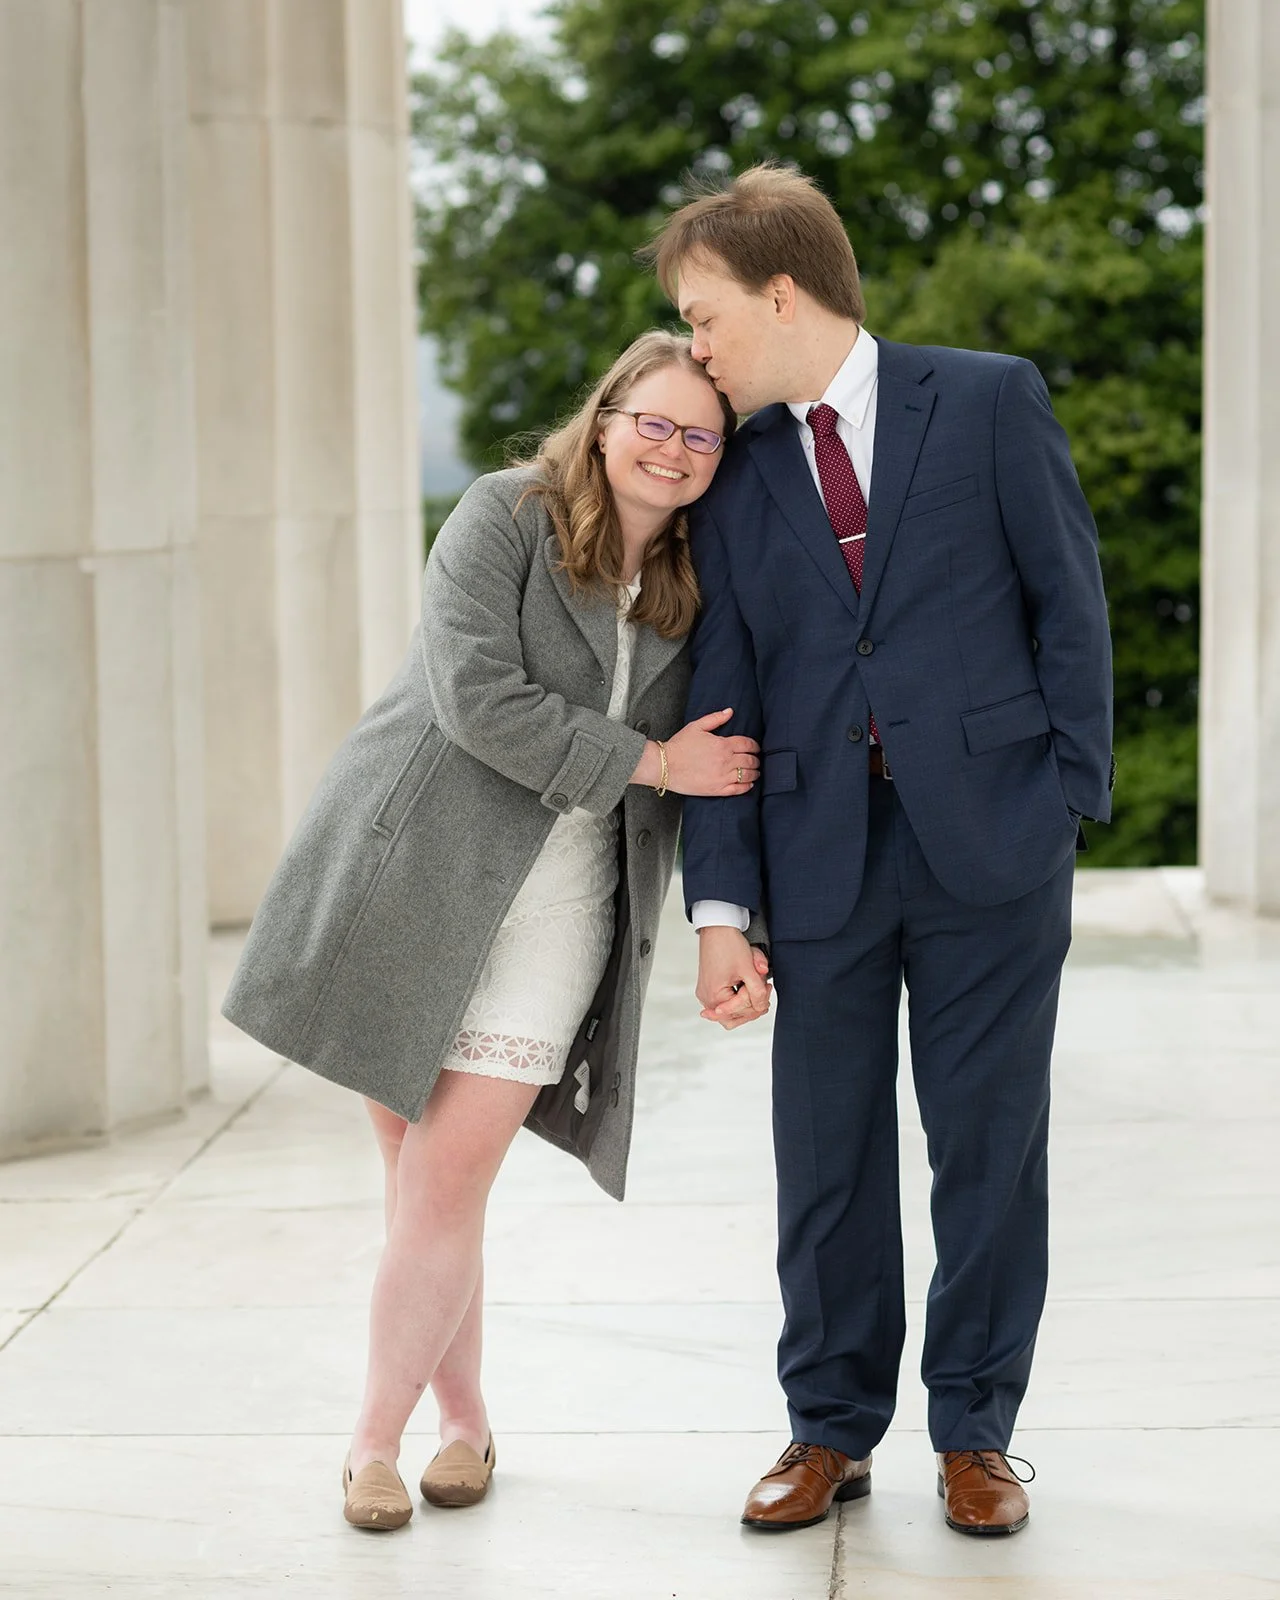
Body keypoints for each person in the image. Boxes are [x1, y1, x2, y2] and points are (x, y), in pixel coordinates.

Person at [221, 331, 760, 1531]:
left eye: (700, 435)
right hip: (413, 878)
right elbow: (476, 698)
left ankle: (370, 1444)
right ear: (605, 418)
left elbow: (733, 739)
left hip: (562, 910)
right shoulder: (504, 515)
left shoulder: (702, 573)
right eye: (653, 423)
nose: (672, 451)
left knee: (445, 1177)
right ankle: (460, 1424)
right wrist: (652, 762)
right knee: (419, 1186)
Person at [644, 165, 1114, 1537]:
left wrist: (1063, 800)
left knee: (987, 1150)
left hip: (994, 845)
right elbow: (722, 699)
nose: (696, 347)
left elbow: (1069, 606)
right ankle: (828, 1427)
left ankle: (975, 1433)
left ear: (782, 293)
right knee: (824, 1156)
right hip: (817, 858)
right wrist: (720, 908)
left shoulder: (985, 401)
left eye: (706, 315)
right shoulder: (737, 476)